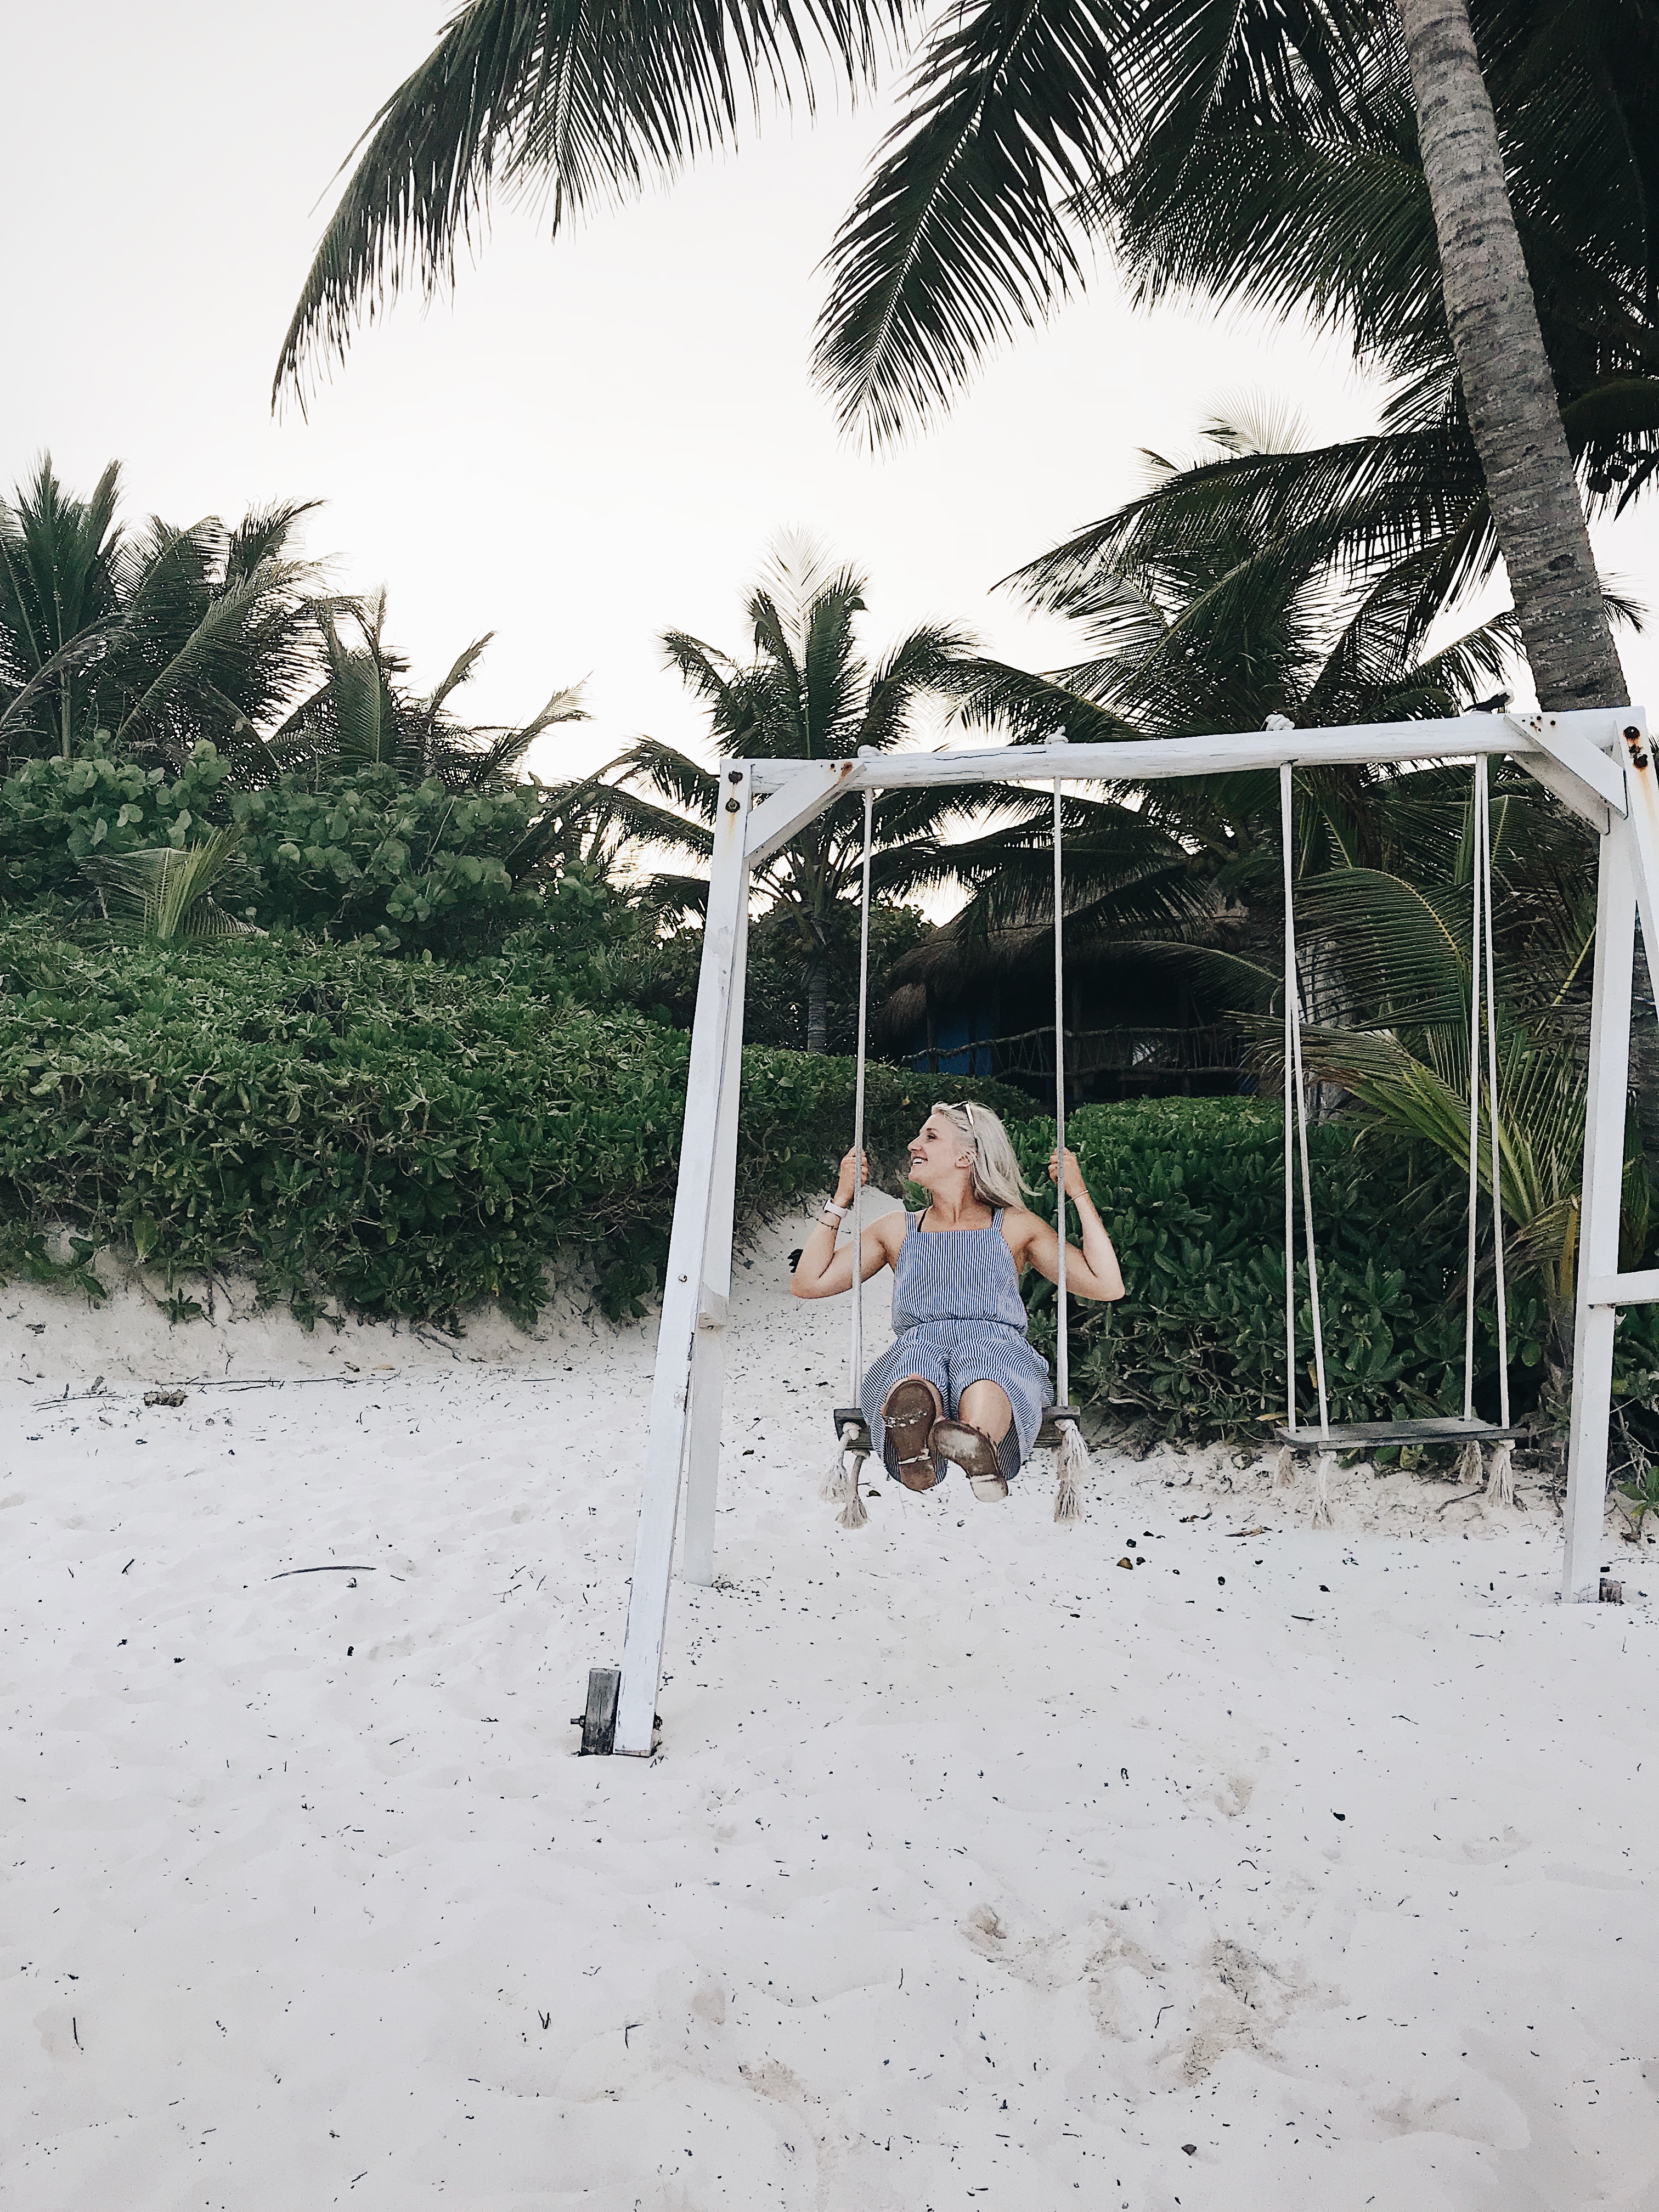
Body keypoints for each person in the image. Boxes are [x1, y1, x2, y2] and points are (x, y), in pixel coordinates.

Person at [791, 1100, 1125, 1501]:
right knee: (914, 1376)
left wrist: (1079, 1193)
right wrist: (841, 1199)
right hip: (921, 1345)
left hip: (994, 1345)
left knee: (986, 1370)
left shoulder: (1015, 1225)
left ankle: (979, 1445)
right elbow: (810, 1283)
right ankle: (920, 1451)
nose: (914, 1145)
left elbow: (1106, 1285)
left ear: (967, 1156)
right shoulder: (896, 1230)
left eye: (930, 1137)